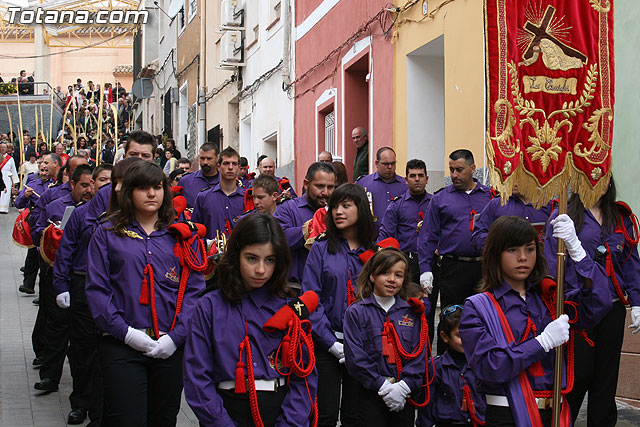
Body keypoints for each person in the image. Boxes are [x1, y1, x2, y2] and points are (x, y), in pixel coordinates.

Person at [86, 160, 206, 426]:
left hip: (169, 347)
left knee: (163, 418)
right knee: (126, 419)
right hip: (121, 345)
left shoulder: (181, 235)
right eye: (143, 188)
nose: (152, 194)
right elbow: (97, 290)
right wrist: (126, 333)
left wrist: (175, 338)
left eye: (157, 187)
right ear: (128, 192)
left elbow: (194, 292)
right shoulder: (106, 233)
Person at [459, 216, 610, 426]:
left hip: (556, 412)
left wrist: (577, 250)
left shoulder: (550, 299)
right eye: (512, 250)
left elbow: (599, 302)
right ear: (495, 254)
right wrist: (542, 343)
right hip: (507, 414)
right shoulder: (477, 307)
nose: (523, 257)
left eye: (530, 249)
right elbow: (490, 366)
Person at [183, 213, 318, 426]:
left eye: (270, 260)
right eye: (252, 258)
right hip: (224, 410)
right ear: (236, 255)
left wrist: (290, 423)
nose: (261, 270)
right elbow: (197, 378)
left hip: (279, 410)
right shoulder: (208, 306)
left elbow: (305, 376)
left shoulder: (289, 307)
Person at [545, 178, 640, 426]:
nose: (597, 185)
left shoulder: (620, 218)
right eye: (590, 179)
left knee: (606, 379)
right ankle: (565, 421)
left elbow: (630, 262)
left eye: (602, 180)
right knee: (577, 375)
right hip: (579, 308)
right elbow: (551, 263)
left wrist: (637, 302)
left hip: (612, 307)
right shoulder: (564, 214)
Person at [302, 183, 376, 427]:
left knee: (356, 415)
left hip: (363, 346)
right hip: (326, 344)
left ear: (361, 209)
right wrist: (331, 343)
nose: (338, 212)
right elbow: (311, 298)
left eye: (346, 205)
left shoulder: (374, 254)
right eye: (334, 206)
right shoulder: (321, 249)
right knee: (325, 413)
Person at [52, 163, 112, 424]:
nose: (106, 185)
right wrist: (61, 286)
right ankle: (81, 401)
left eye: (112, 180)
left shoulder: (124, 215)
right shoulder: (80, 214)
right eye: (101, 180)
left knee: (106, 352)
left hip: (113, 291)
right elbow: (65, 251)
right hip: (83, 286)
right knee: (82, 350)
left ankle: (103, 407)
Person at [344, 247, 429, 427]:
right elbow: (355, 357)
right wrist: (382, 386)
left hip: (403, 394)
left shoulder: (412, 313)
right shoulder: (356, 312)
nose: (392, 279)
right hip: (370, 393)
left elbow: (420, 354)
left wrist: (403, 387)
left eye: (398, 275)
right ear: (372, 276)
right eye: (384, 273)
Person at [418, 149, 492, 353]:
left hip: (484, 268)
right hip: (453, 267)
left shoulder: (490, 197)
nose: (454, 175)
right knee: (450, 320)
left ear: (473, 169)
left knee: (483, 317)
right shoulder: (440, 199)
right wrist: (425, 269)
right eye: (451, 170)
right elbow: (427, 236)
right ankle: (446, 367)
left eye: (459, 170)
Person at [33, 164, 94, 394]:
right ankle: (49, 376)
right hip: (57, 275)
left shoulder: (98, 212)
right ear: (72, 185)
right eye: (83, 185)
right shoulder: (55, 206)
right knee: (56, 328)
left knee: (81, 341)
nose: (88, 190)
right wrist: (50, 234)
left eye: (92, 185)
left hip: (83, 279)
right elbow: (36, 230)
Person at [416, 305, 485, 427]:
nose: (466, 339)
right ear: (445, 337)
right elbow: (426, 407)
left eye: (470, 333)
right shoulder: (435, 367)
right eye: (459, 335)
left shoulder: (483, 364)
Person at [274, 162, 337, 284]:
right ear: (306, 184)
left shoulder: (338, 212)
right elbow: (279, 240)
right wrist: (311, 227)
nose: (326, 193)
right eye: (320, 186)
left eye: (330, 187)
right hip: (295, 289)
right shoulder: (287, 208)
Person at [379, 159, 432, 283]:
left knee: (429, 300)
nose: (417, 179)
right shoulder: (396, 205)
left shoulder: (435, 203)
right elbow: (385, 235)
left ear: (427, 179)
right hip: (406, 261)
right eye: (413, 176)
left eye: (421, 175)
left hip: (431, 261)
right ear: (406, 180)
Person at [15, 154, 59, 294]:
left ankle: (43, 292)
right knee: (32, 253)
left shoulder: (55, 186)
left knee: (44, 257)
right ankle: (28, 283)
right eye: (42, 171)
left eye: (46, 171)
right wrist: (25, 196)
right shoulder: (32, 184)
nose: (44, 173)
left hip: (49, 222)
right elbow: (18, 203)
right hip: (35, 222)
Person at [471, 185, 553, 252]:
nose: (513, 181)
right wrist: (500, 243)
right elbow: (478, 236)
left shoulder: (549, 206)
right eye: (510, 176)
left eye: (518, 176)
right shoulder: (496, 204)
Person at [191, 147, 245, 241]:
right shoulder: (203, 197)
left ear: (239, 168)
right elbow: (195, 231)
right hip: (211, 254)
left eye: (234, 164)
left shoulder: (247, 198)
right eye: (226, 163)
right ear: (219, 167)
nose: (230, 167)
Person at [355, 147, 408, 235]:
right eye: (386, 164)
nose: (390, 167)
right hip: (371, 239)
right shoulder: (363, 183)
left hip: (399, 240)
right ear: (377, 163)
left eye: (393, 163)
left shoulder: (405, 185)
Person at [177, 143, 219, 208]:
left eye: (209, 158)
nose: (205, 162)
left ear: (217, 158)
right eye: (202, 158)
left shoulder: (226, 182)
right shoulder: (185, 182)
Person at [0, 141, 19, 213]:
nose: (2, 149)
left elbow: (13, 169)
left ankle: (4, 208)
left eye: (4, 147)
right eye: (1, 147)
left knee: (6, 193)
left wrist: (15, 181)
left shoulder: (10, 158)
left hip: (7, 177)